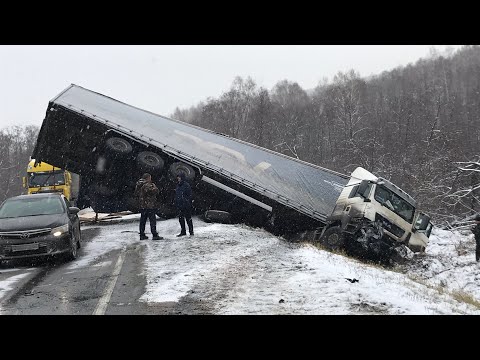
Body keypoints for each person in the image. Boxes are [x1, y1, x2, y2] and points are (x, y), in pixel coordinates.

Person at [134, 173, 163, 240]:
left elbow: (136, 193)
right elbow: (154, 191)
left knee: (143, 221)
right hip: (149, 205)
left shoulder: (138, 184)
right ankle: (154, 234)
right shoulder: (147, 185)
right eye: (150, 177)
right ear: (148, 178)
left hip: (142, 205)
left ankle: (142, 234)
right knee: (152, 220)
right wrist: (154, 187)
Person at [174, 172, 194, 237]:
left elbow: (189, 195)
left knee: (188, 218)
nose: (178, 178)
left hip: (186, 205)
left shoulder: (186, 185)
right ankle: (183, 231)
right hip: (180, 204)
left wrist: (187, 201)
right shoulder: (178, 185)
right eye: (178, 177)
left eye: (179, 177)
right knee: (181, 219)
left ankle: (191, 232)